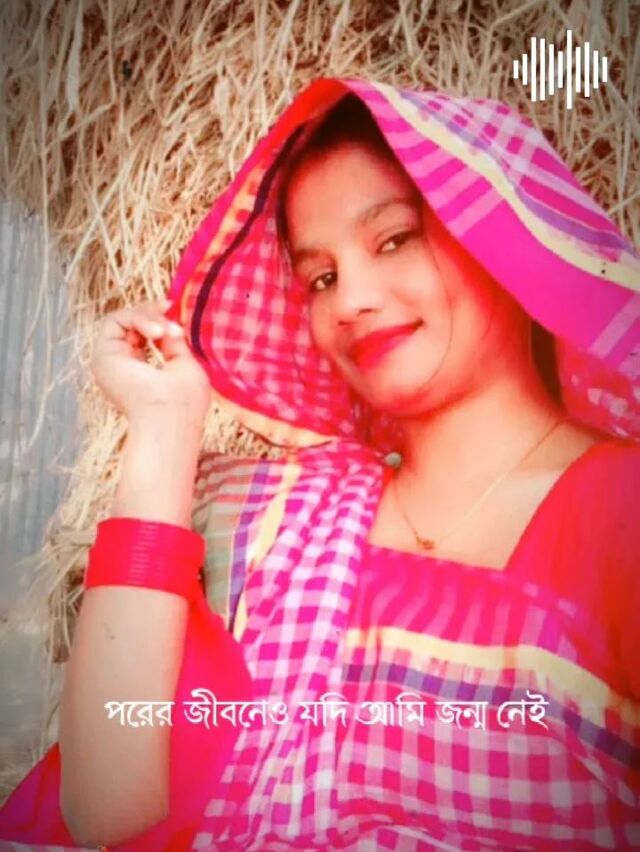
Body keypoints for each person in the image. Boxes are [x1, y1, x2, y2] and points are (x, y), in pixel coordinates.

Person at [0, 77, 638, 850]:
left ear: (502, 240)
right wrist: (165, 425)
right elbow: (104, 805)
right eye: (321, 278)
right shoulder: (276, 520)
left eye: (394, 238)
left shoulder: (621, 508)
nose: (351, 300)